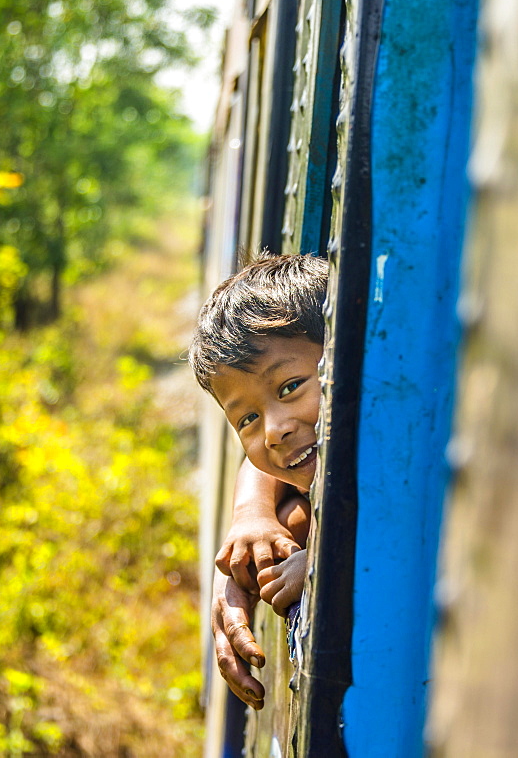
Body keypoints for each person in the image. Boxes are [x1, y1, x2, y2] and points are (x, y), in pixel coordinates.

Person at [188, 253, 328, 710]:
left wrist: (327, 565)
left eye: (290, 387)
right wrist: (251, 520)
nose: (273, 430)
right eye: (247, 418)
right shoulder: (296, 463)